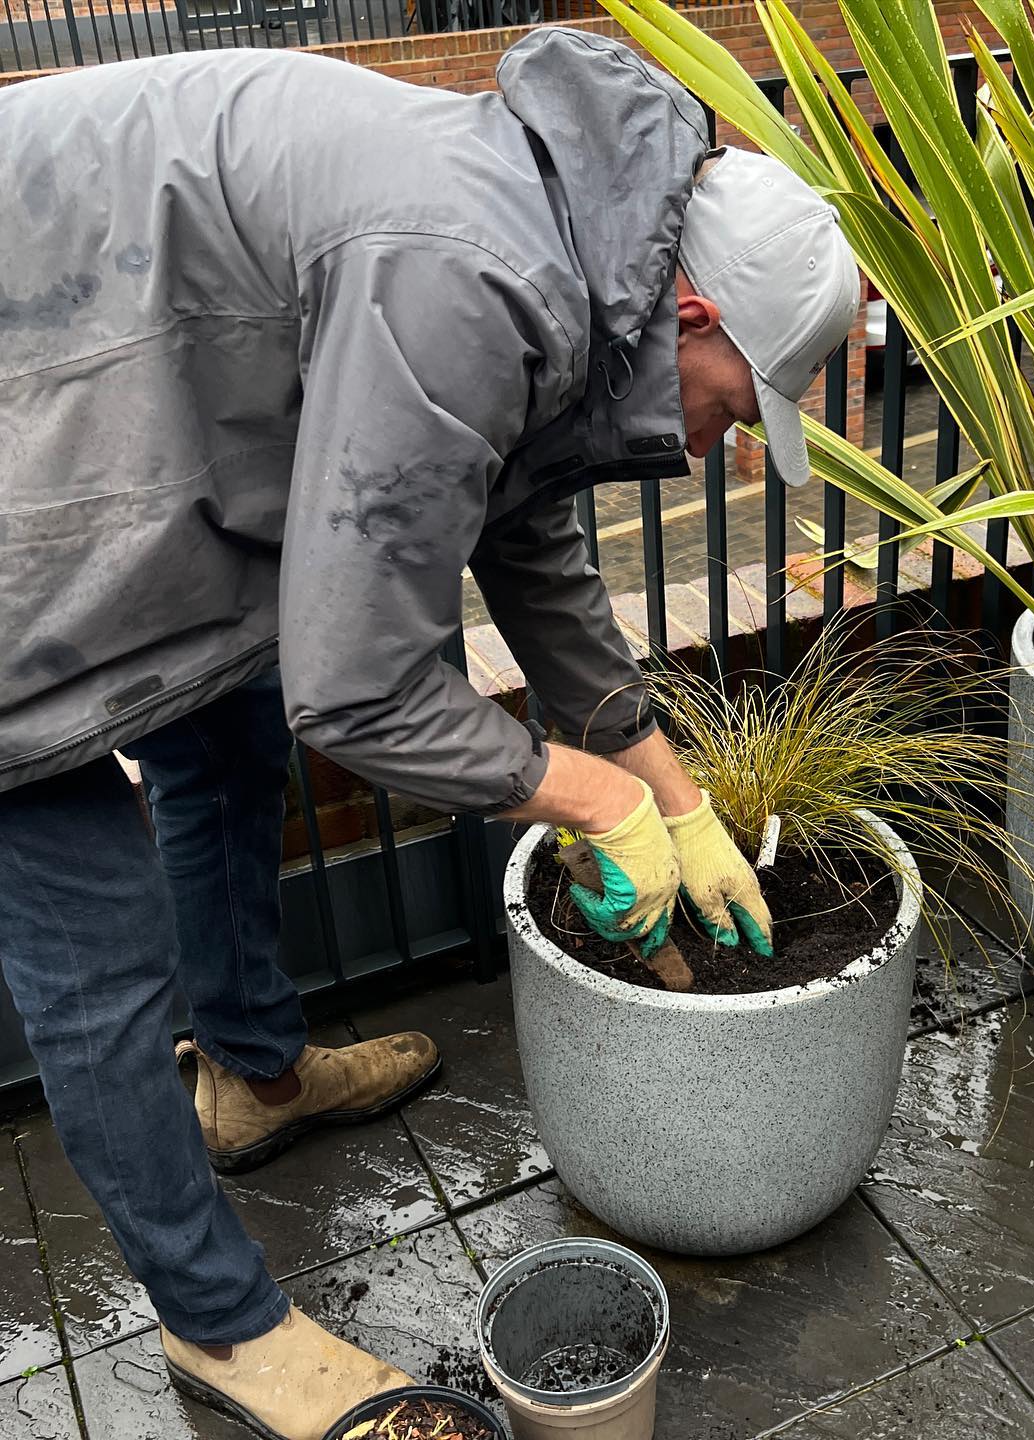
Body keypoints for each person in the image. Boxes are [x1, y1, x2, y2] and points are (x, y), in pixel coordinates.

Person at [0, 27, 861, 1440]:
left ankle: (254, 1078)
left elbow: (523, 528)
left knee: (223, 734)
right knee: (87, 919)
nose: (721, 442)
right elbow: (360, 690)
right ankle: (218, 1324)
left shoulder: (567, 241)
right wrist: (590, 800)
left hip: (123, 392)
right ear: (695, 316)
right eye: (733, 406)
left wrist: (668, 786)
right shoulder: (474, 270)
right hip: (37, 447)